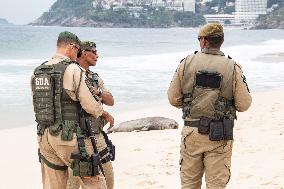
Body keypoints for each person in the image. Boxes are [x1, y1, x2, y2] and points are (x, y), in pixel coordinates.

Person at [167, 23, 252, 189]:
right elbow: (244, 104)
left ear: (204, 41)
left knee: (189, 185)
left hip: (192, 134)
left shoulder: (186, 63)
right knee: (216, 185)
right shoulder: (232, 67)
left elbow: (173, 98)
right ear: (222, 40)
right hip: (219, 135)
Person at [31, 31, 114, 189]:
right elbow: (90, 105)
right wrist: (103, 113)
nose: (77, 55)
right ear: (71, 46)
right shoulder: (72, 70)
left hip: (44, 136)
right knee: (96, 183)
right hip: (67, 138)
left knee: (54, 185)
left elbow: (38, 102)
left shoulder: (39, 71)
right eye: (77, 50)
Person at [67, 41, 115, 189]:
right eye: (94, 52)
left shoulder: (94, 77)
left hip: (97, 136)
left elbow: (111, 100)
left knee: (108, 180)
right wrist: (104, 112)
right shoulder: (71, 74)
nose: (97, 55)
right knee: (74, 183)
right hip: (77, 138)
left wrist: (98, 92)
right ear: (83, 53)